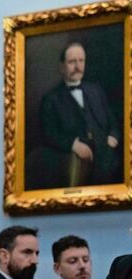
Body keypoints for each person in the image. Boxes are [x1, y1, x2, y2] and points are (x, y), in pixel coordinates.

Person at [36, 42, 120, 188]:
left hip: (110, 161)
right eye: (72, 62)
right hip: (77, 166)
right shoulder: (51, 99)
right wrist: (73, 145)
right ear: (62, 67)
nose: (77, 66)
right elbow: (48, 135)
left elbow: (113, 123)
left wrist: (113, 138)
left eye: (81, 61)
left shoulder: (96, 91)